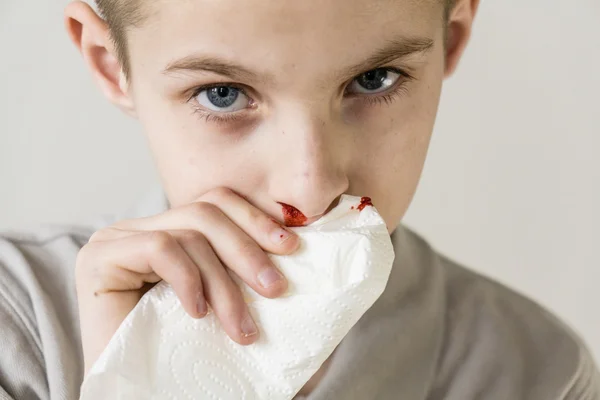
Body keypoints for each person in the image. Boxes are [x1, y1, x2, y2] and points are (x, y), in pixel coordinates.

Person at [1, 0, 598, 398]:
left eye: (374, 79)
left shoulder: (536, 374)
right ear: (112, 65)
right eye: (224, 94)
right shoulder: (17, 325)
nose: (310, 189)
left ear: (449, 42)